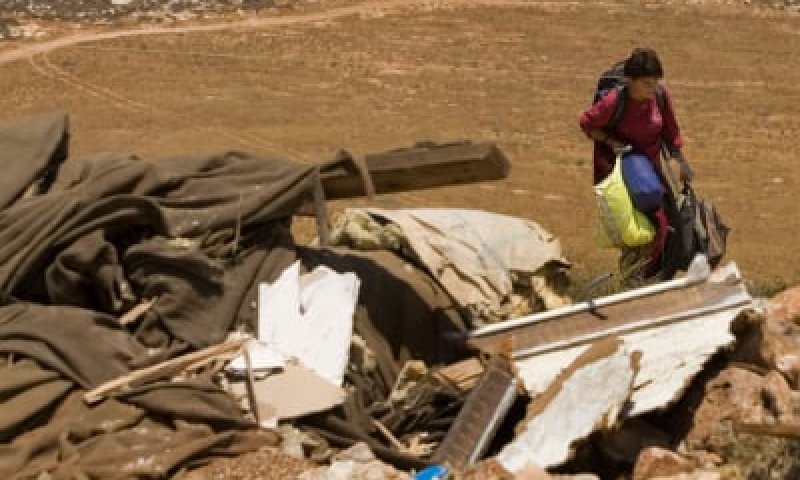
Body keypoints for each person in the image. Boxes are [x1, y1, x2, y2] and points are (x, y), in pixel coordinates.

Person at [580, 47, 693, 281]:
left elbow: (671, 132)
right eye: (646, 84)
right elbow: (587, 123)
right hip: (623, 172)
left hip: (653, 169)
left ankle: (657, 279)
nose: (652, 90)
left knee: (670, 225)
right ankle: (634, 280)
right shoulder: (614, 101)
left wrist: (681, 163)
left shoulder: (660, 97)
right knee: (640, 230)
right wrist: (611, 141)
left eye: (654, 83)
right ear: (630, 81)